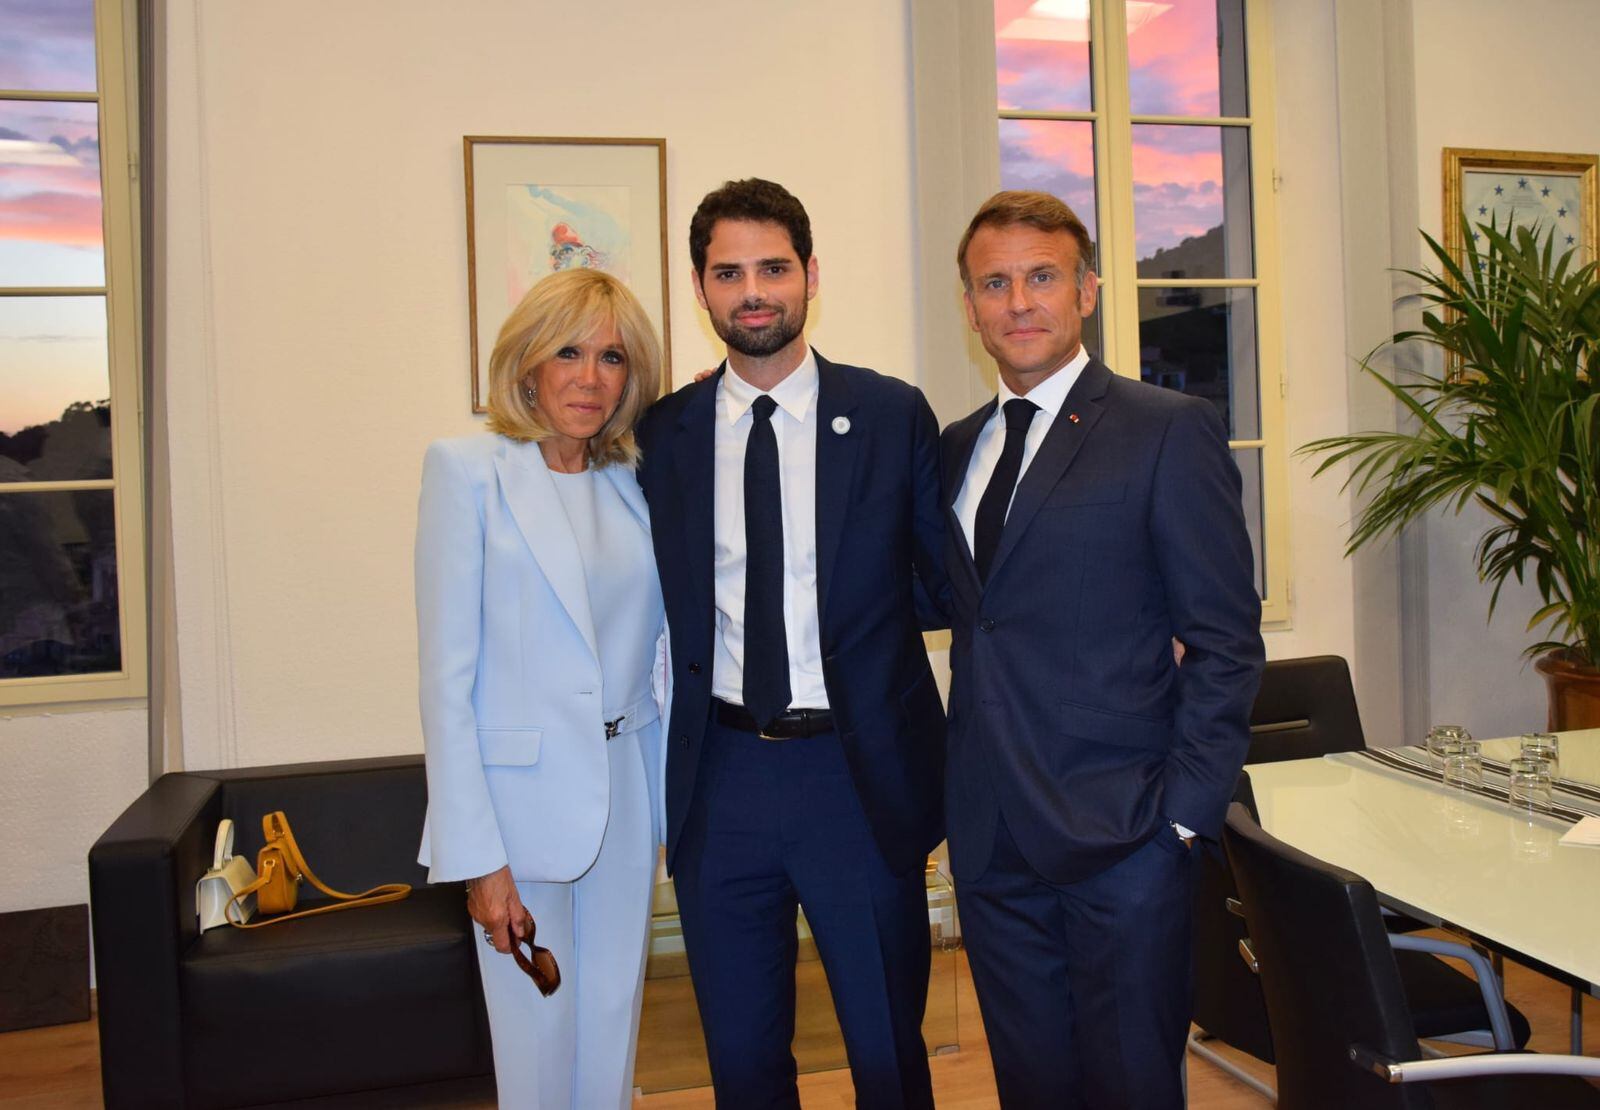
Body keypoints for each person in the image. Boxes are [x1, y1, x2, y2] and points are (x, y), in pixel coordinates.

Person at [941, 190, 1265, 1109]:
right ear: (970, 308)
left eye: (1041, 277)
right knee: (1032, 1086)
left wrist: (1181, 822)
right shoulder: (956, 448)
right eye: (994, 284)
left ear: (1085, 291)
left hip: (1126, 838)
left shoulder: (1166, 429)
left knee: (1131, 1086)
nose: (1018, 302)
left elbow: (1225, 642)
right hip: (992, 839)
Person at [635, 178, 947, 1109]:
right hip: (721, 781)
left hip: (856, 779)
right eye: (729, 273)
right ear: (700, 286)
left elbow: (945, 585)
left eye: (772, 268)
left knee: (887, 1056)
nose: (753, 292)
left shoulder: (890, 415)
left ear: (811, 275)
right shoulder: (665, 434)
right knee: (743, 1065)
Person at [414, 267, 665, 1109]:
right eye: (569, 353)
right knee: (536, 1046)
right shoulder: (468, 473)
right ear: (527, 364)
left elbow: (657, 655)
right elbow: (446, 685)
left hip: (626, 796)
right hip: (519, 815)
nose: (591, 378)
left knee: (613, 1029)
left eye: (612, 358)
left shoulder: (633, 485)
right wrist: (478, 861)